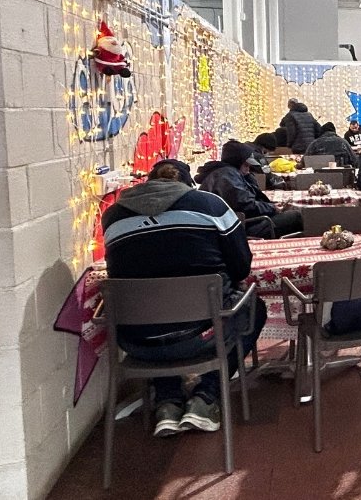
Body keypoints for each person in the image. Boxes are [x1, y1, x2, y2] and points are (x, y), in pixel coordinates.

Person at [102, 159, 266, 438]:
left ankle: (167, 401)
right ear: (187, 185)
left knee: (155, 314)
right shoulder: (211, 206)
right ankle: (206, 397)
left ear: (148, 183)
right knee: (254, 309)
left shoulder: (112, 217)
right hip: (202, 335)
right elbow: (241, 267)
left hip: (135, 342)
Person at [197, 140, 303, 238]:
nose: (248, 169)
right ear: (237, 163)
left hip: (234, 224)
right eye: (246, 165)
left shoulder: (227, 173)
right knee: (296, 217)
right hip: (238, 228)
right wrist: (272, 208)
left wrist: (271, 206)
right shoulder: (227, 176)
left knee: (292, 215)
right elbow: (246, 204)